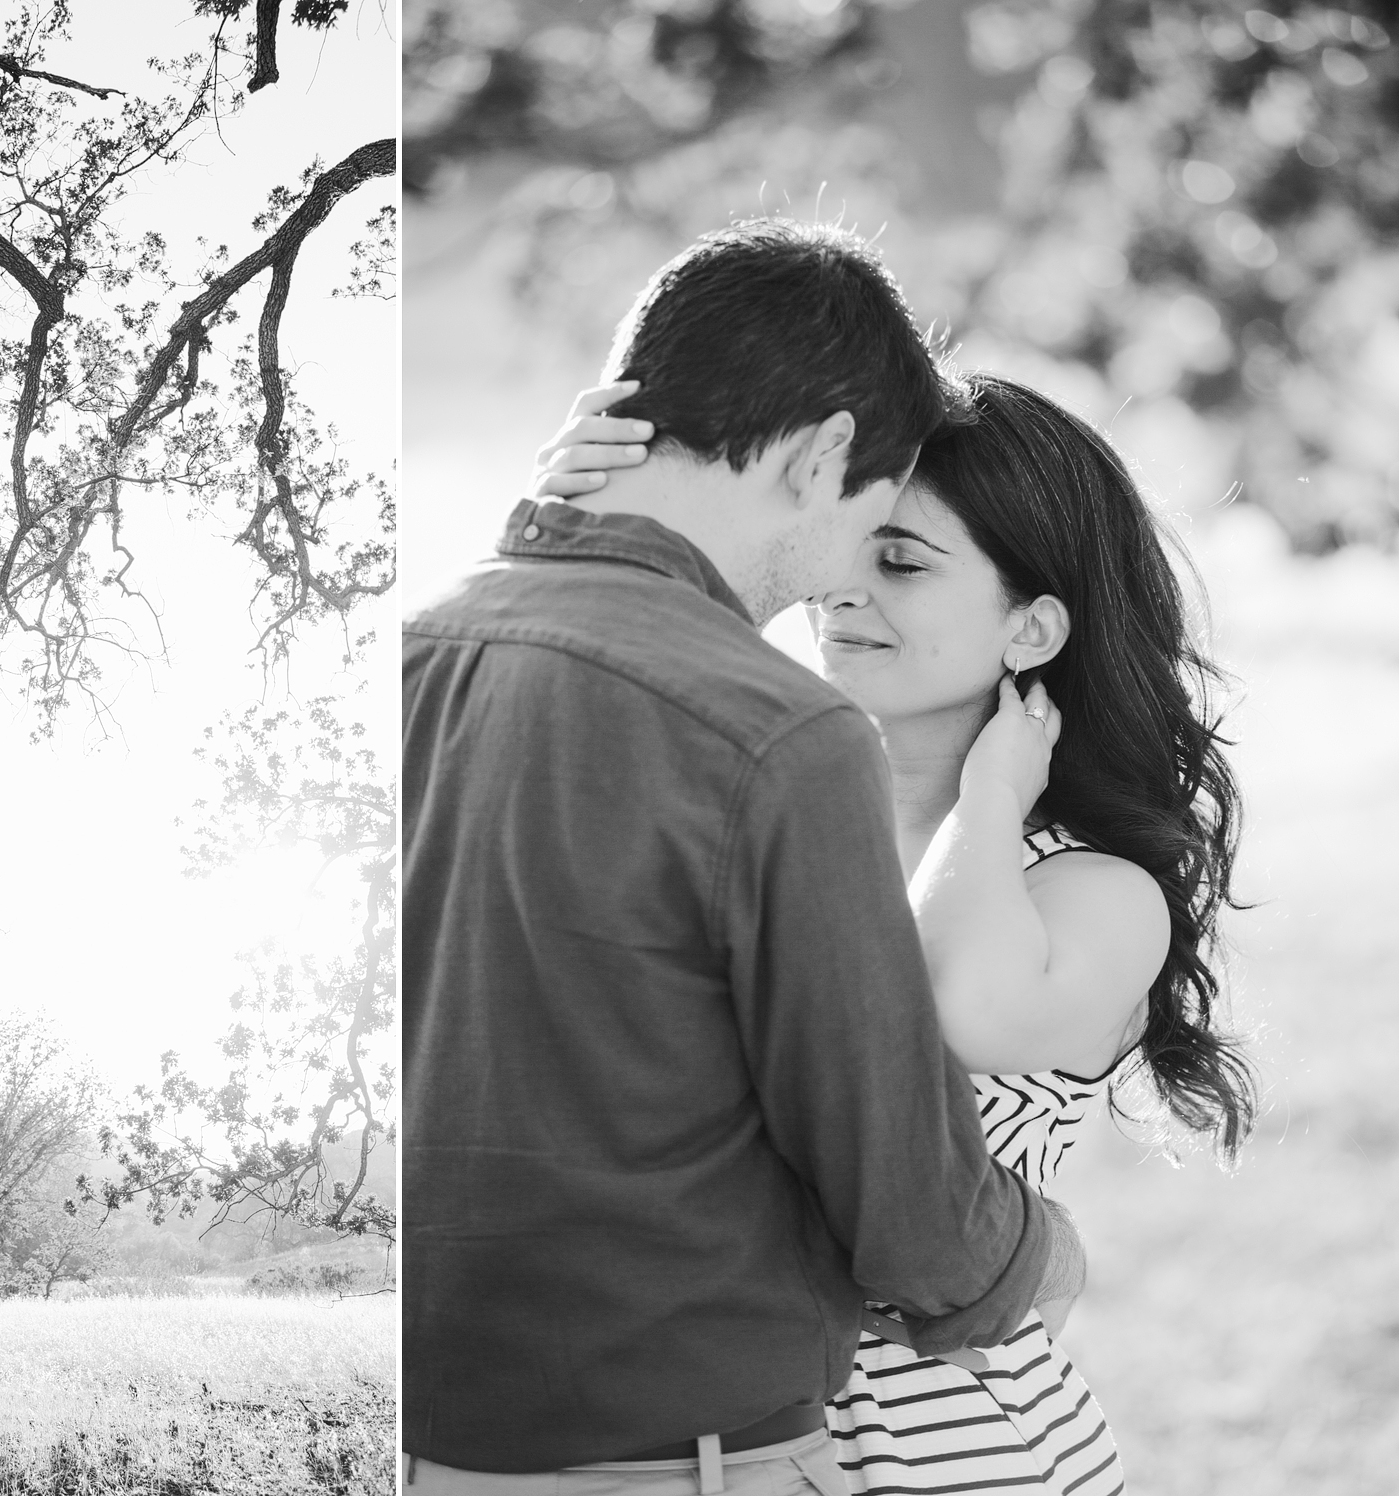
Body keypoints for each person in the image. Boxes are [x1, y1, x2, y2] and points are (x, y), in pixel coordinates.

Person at [403, 219, 1086, 1496]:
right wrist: (1040, 1258)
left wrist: (542, 529)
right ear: (827, 451)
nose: (840, 586)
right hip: (672, 1457)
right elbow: (905, 1204)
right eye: (873, 514)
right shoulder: (775, 730)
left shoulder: (415, 646)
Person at [536, 370, 1257, 1494]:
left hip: (959, 1459)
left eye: (902, 561)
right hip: (722, 1447)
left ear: (1031, 626)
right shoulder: (754, 820)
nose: (837, 588)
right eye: (848, 542)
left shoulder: (1093, 886)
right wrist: (577, 536)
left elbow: (957, 1006)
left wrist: (986, 799)